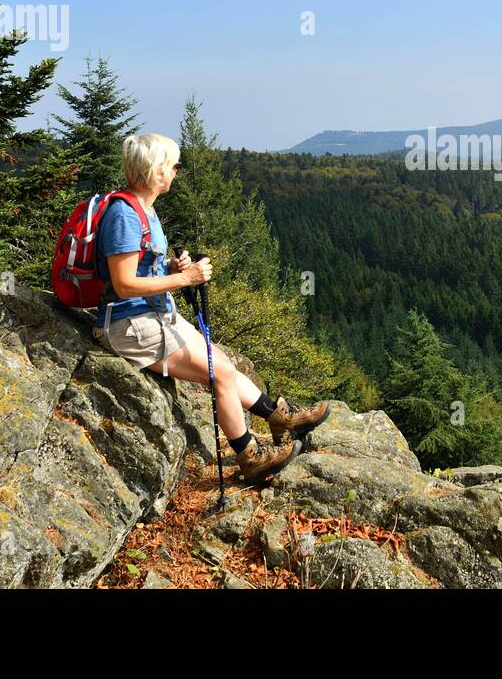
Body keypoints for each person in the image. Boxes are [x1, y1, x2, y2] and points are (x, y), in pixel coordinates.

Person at [91, 132, 329, 484]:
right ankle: (250, 457)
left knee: (224, 363)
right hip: (130, 325)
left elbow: (140, 268)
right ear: (157, 170)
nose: (176, 171)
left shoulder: (145, 210)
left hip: (153, 314)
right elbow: (124, 284)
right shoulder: (125, 215)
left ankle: (278, 418)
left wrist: (172, 268)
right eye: (173, 165)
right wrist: (187, 280)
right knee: (221, 372)